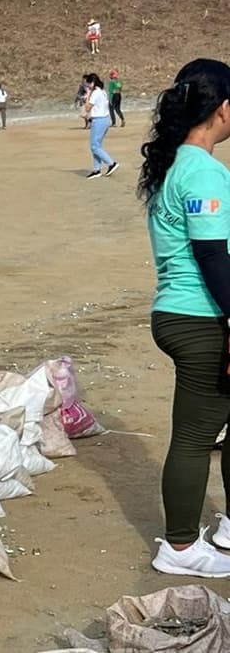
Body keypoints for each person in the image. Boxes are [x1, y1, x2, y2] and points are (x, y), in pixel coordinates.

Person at [138, 59, 230, 579]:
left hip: (188, 312)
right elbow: (213, 256)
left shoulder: (175, 164)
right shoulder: (201, 170)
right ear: (222, 108)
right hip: (199, 317)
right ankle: (178, 546)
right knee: (196, 435)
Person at [83, 73, 117, 179]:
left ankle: (111, 163)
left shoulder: (95, 93)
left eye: (88, 83)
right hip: (105, 120)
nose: (87, 86)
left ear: (92, 83)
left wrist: (87, 95)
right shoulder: (102, 92)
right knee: (97, 146)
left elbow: (88, 108)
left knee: (94, 146)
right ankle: (96, 169)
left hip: (99, 120)